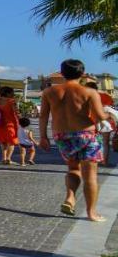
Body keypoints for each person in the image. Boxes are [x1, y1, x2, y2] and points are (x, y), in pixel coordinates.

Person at [39, 59, 107, 221]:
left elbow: (43, 116)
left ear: (61, 73)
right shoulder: (89, 92)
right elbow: (99, 117)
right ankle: (91, 213)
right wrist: (109, 114)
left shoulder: (49, 92)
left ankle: (70, 197)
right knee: (90, 176)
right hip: (86, 135)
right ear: (83, 74)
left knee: (73, 169)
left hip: (62, 136)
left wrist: (43, 137)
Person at [0, 86, 20, 165]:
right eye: (12, 92)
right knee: (11, 142)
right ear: (8, 93)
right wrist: (21, 119)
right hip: (10, 124)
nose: (13, 94)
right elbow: (16, 112)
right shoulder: (11, 101)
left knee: (3, 142)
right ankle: (8, 158)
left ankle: (3, 158)